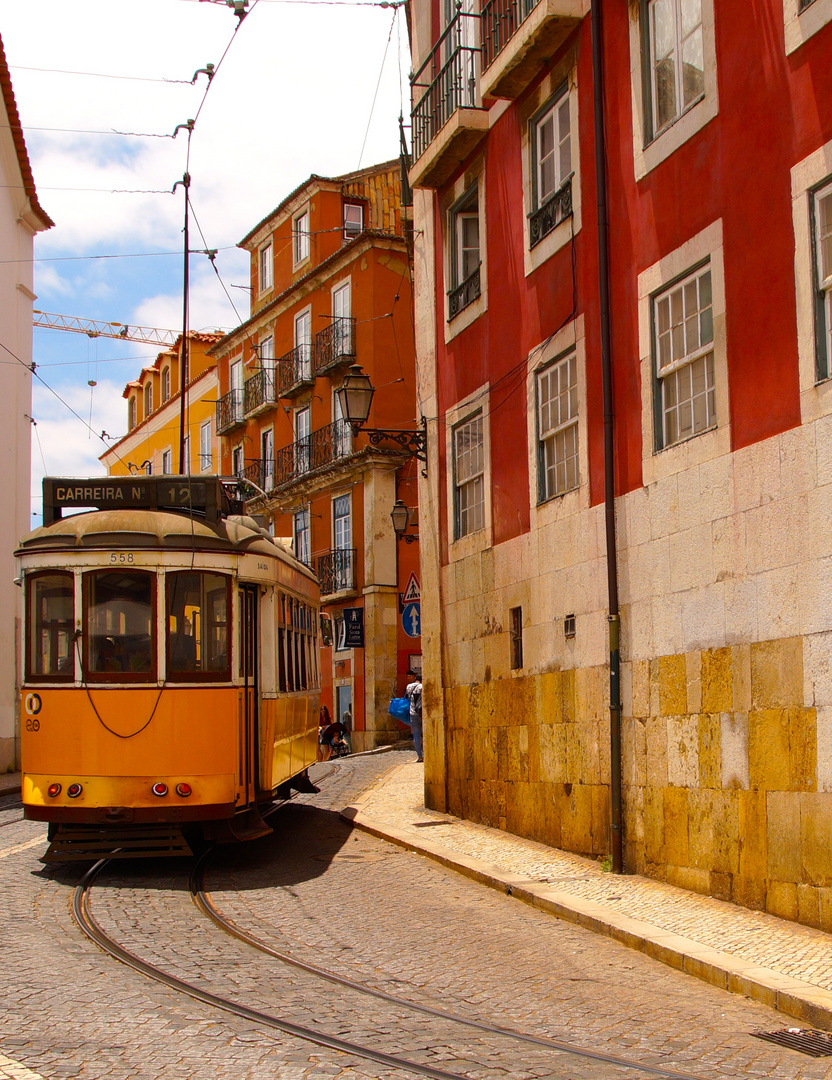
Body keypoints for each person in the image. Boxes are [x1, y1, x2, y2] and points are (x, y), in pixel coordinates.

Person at [405, 671, 423, 762]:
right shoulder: (421, 687)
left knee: (416, 735)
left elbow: (407, 698)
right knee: (424, 734)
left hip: (412, 713)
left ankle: (420, 756)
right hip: (421, 713)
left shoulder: (409, 687)